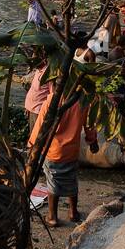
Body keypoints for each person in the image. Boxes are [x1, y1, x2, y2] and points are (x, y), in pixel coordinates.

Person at [30, 85, 98, 227]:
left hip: (52, 150)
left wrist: (32, 146)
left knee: (53, 183)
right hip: (72, 150)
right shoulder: (83, 100)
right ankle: (73, 212)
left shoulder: (51, 101)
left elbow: (41, 125)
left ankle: (52, 216)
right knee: (71, 180)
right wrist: (92, 141)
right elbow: (89, 123)